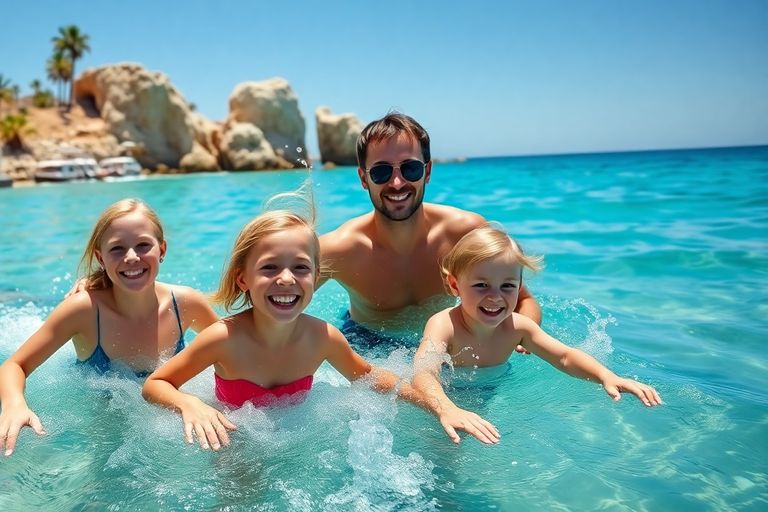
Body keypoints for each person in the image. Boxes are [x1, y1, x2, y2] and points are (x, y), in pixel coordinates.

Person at [141, 207, 457, 451]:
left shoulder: (322, 338)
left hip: (296, 438)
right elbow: (156, 384)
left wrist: (440, 407)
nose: (287, 279)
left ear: (316, 276)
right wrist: (190, 404)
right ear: (243, 279)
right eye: (269, 267)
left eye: (301, 267)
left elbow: (373, 378)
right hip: (235, 440)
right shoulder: (224, 338)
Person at [0, 198, 219, 456]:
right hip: (99, 427)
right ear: (101, 257)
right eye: (117, 249)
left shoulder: (186, 304)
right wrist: (13, 405)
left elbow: (235, 345)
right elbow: (14, 365)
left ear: (162, 250)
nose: (132, 257)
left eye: (143, 245)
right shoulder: (84, 310)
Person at [412, 226, 663, 444]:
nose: (495, 297)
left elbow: (564, 356)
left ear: (519, 287)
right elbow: (423, 371)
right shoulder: (444, 325)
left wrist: (607, 376)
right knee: (444, 447)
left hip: (487, 389)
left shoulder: (518, 327)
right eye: (481, 285)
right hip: (444, 393)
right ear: (455, 285)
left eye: (508, 286)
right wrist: (446, 408)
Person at [318, 112, 541, 348]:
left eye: (410, 169)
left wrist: (519, 340)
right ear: (364, 178)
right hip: (367, 342)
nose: (396, 183)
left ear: (428, 172)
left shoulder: (465, 233)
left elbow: (523, 300)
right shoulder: (339, 249)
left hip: (445, 341)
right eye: (381, 172)